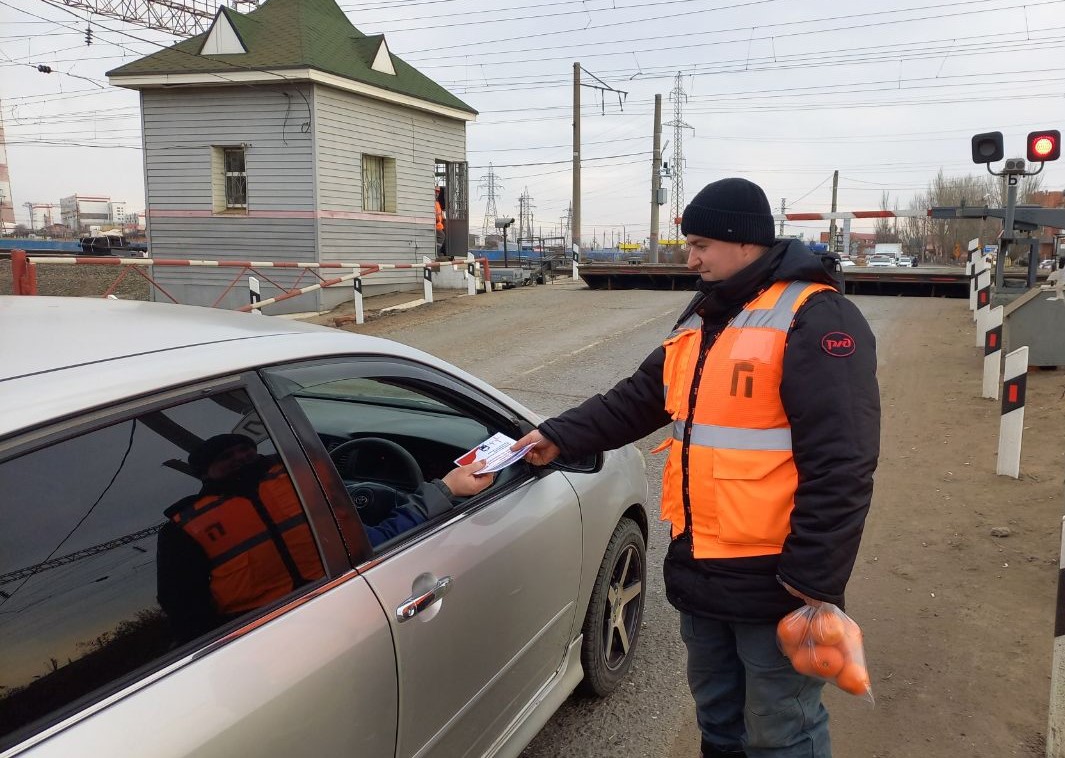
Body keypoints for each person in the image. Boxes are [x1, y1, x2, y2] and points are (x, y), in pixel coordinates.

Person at [512, 178, 880, 758]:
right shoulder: (706, 316)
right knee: (719, 721)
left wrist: (811, 583)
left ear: (745, 242)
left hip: (777, 580)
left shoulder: (817, 319)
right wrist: (556, 436)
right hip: (701, 569)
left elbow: (844, 462)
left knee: (783, 729)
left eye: (702, 243)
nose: (691, 257)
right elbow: (636, 399)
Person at [157, 433, 492, 641]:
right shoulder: (183, 529)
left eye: (244, 450)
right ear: (203, 473)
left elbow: (363, 543)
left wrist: (443, 490)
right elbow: (186, 615)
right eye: (225, 458)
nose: (240, 459)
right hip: (258, 642)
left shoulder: (303, 480)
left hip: (343, 615)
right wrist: (442, 491)